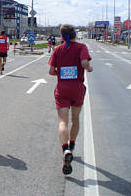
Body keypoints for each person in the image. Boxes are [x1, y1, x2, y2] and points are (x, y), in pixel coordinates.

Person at [48, 24, 93, 175]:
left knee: (63, 122)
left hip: (62, 89)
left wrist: (62, 74)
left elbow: (51, 71)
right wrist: (89, 68)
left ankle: (65, 149)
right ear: (75, 34)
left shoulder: (57, 49)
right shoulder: (81, 47)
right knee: (75, 118)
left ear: (61, 36)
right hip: (77, 88)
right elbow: (84, 63)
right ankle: (72, 146)